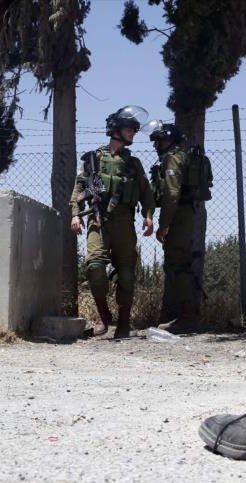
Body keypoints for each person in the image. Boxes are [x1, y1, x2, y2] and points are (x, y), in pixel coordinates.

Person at [70, 106, 155, 339]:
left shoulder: (133, 163)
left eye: (134, 130)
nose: (133, 133)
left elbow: (146, 193)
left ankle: (124, 322)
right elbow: (79, 188)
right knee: (95, 266)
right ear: (116, 130)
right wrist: (75, 214)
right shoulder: (94, 160)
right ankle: (103, 314)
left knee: (127, 274)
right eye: (129, 129)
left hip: (125, 221)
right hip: (98, 219)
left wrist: (148, 216)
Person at [147, 121, 198, 333]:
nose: (156, 145)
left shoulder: (172, 158)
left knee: (178, 264)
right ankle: (185, 315)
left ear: (169, 140)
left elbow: (171, 194)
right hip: (184, 212)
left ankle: (187, 318)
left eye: (159, 141)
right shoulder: (181, 156)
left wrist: (164, 225)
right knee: (179, 263)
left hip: (179, 215)